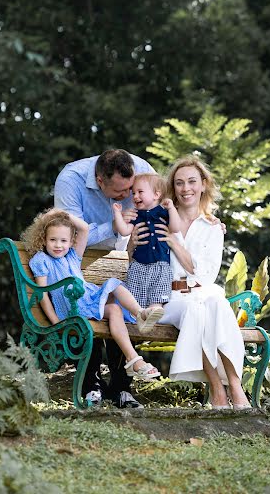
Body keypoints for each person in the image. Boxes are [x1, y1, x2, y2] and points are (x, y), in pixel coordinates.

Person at [131, 154, 251, 410]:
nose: (186, 189)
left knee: (215, 304)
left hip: (201, 293)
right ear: (172, 187)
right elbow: (132, 255)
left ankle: (234, 387)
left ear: (203, 184)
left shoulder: (212, 227)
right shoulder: (156, 218)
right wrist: (132, 244)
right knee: (201, 308)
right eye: (179, 183)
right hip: (166, 300)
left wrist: (174, 242)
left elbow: (204, 276)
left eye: (192, 182)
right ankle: (220, 390)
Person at [54, 149, 155, 408]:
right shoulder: (70, 180)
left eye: (131, 189)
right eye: (120, 192)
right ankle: (92, 385)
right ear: (100, 180)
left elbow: (164, 207)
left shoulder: (141, 167)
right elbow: (68, 235)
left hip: (122, 257)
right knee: (92, 311)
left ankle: (121, 388)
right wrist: (113, 225)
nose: (128, 197)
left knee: (121, 308)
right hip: (77, 261)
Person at [21, 208, 162, 386]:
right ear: (43, 239)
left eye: (64, 240)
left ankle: (134, 352)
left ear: (71, 241)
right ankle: (139, 320)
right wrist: (56, 321)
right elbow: (42, 294)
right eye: (53, 240)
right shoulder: (41, 260)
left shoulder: (72, 256)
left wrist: (59, 213)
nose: (58, 245)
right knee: (112, 284)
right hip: (71, 307)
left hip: (86, 300)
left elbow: (84, 229)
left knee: (115, 307)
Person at [112, 172, 182, 323]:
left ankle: (155, 311)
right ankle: (141, 317)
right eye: (134, 193)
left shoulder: (163, 213)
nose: (135, 196)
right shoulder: (137, 215)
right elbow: (124, 230)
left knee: (158, 295)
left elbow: (176, 228)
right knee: (135, 297)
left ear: (156, 194)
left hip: (160, 266)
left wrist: (171, 209)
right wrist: (117, 213)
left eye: (140, 192)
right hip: (138, 266)